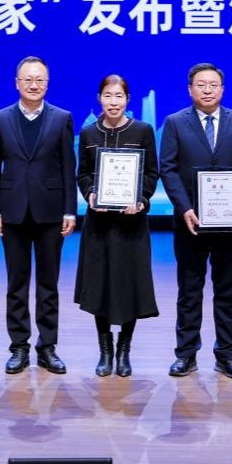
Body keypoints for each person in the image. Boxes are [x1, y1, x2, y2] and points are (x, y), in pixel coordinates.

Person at [158, 63, 232, 379]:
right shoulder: (175, 122)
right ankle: (186, 354)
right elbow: (168, 168)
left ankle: (227, 355)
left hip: (231, 222)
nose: (207, 90)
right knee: (189, 290)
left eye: (213, 85)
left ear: (222, 89)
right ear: (190, 89)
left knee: (227, 290)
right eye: (201, 85)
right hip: (190, 221)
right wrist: (185, 208)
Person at [0, 56, 76, 375]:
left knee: (48, 284)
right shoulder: (0, 119)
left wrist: (70, 209)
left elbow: (68, 165)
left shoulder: (61, 118)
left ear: (47, 84)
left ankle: (47, 347)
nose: (33, 84)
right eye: (27, 79)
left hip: (51, 211)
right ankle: (19, 347)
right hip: (12, 212)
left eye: (39, 79)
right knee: (17, 283)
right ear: (17, 83)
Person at [74, 74, 158, 378]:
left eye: (119, 96)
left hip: (132, 224)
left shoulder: (143, 131)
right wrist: (90, 194)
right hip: (99, 224)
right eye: (108, 95)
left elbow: (151, 174)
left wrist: (141, 199)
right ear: (99, 98)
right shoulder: (88, 133)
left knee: (129, 284)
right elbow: (83, 174)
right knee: (99, 285)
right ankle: (105, 351)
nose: (113, 102)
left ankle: (124, 350)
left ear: (127, 99)